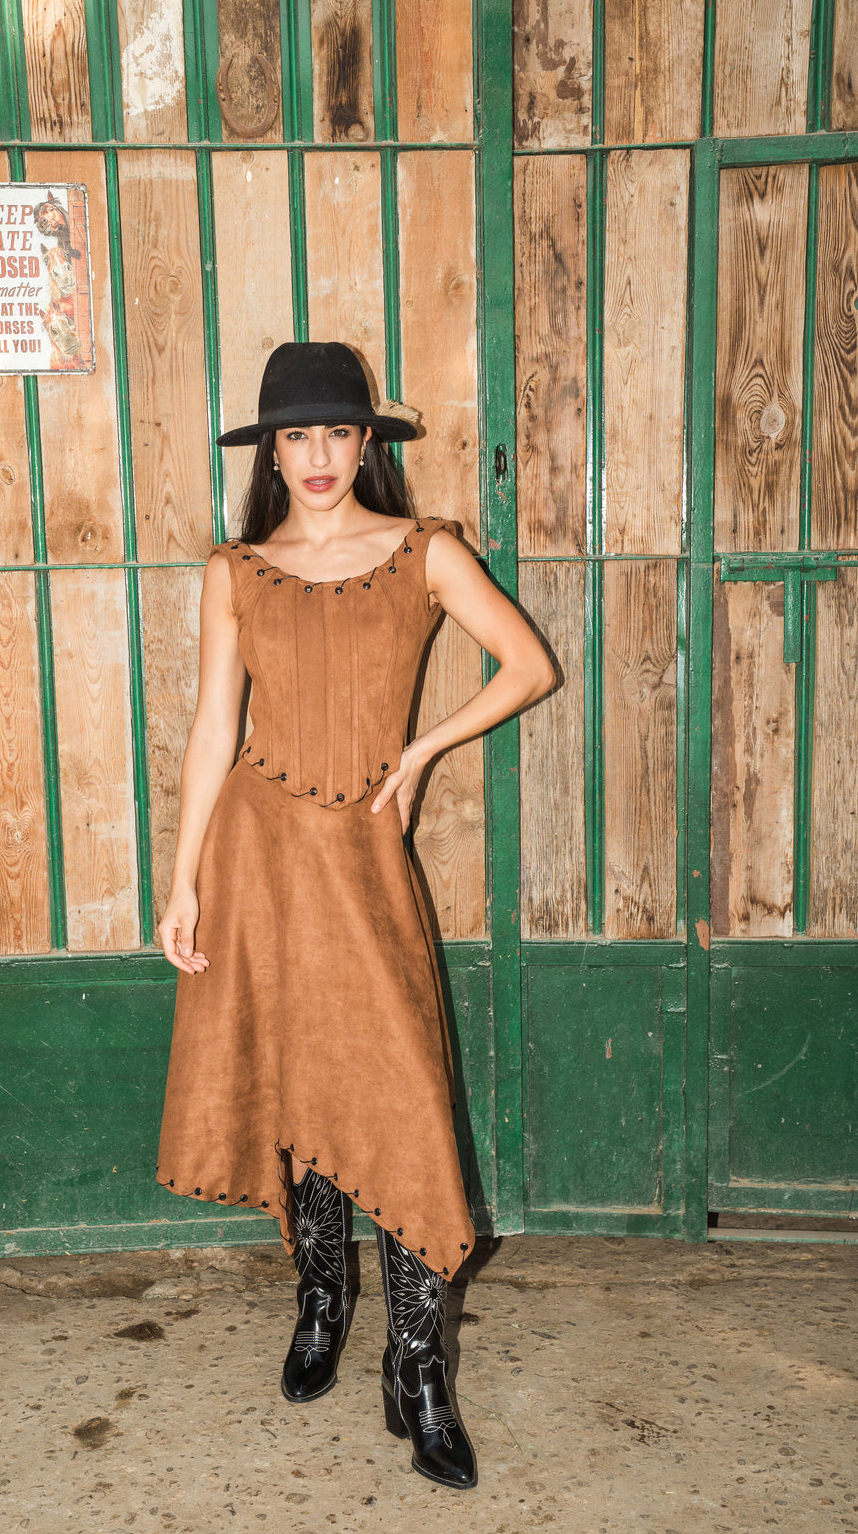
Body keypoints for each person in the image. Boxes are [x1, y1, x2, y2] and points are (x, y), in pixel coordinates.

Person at [156, 342, 555, 1489]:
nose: (319, 456)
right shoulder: (235, 568)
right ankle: (323, 1300)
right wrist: (183, 880)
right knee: (300, 1086)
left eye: (338, 432)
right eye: (297, 435)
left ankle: (417, 1367)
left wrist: (425, 747)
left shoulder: (424, 552)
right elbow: (208, 732)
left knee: (398, 1097)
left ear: (369, 443)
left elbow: (525, 664)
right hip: (259, 854)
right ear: (270, 451)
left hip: (363, 861)